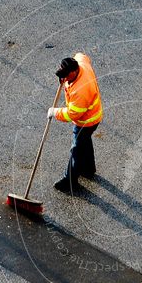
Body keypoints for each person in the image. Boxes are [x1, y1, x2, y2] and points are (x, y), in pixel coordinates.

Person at [48, 53, 103, 193]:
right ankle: (88, 169)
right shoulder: (80, 62)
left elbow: (73, 113)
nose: (64, 79)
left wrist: (55, 112)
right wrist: (64, 79)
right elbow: (81, 55)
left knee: (76, 149)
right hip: (93, 116)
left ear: (73, 72)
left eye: (66, 76)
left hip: (86, 121)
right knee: (84, 142)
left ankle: (70, 181)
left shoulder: (81, 90)